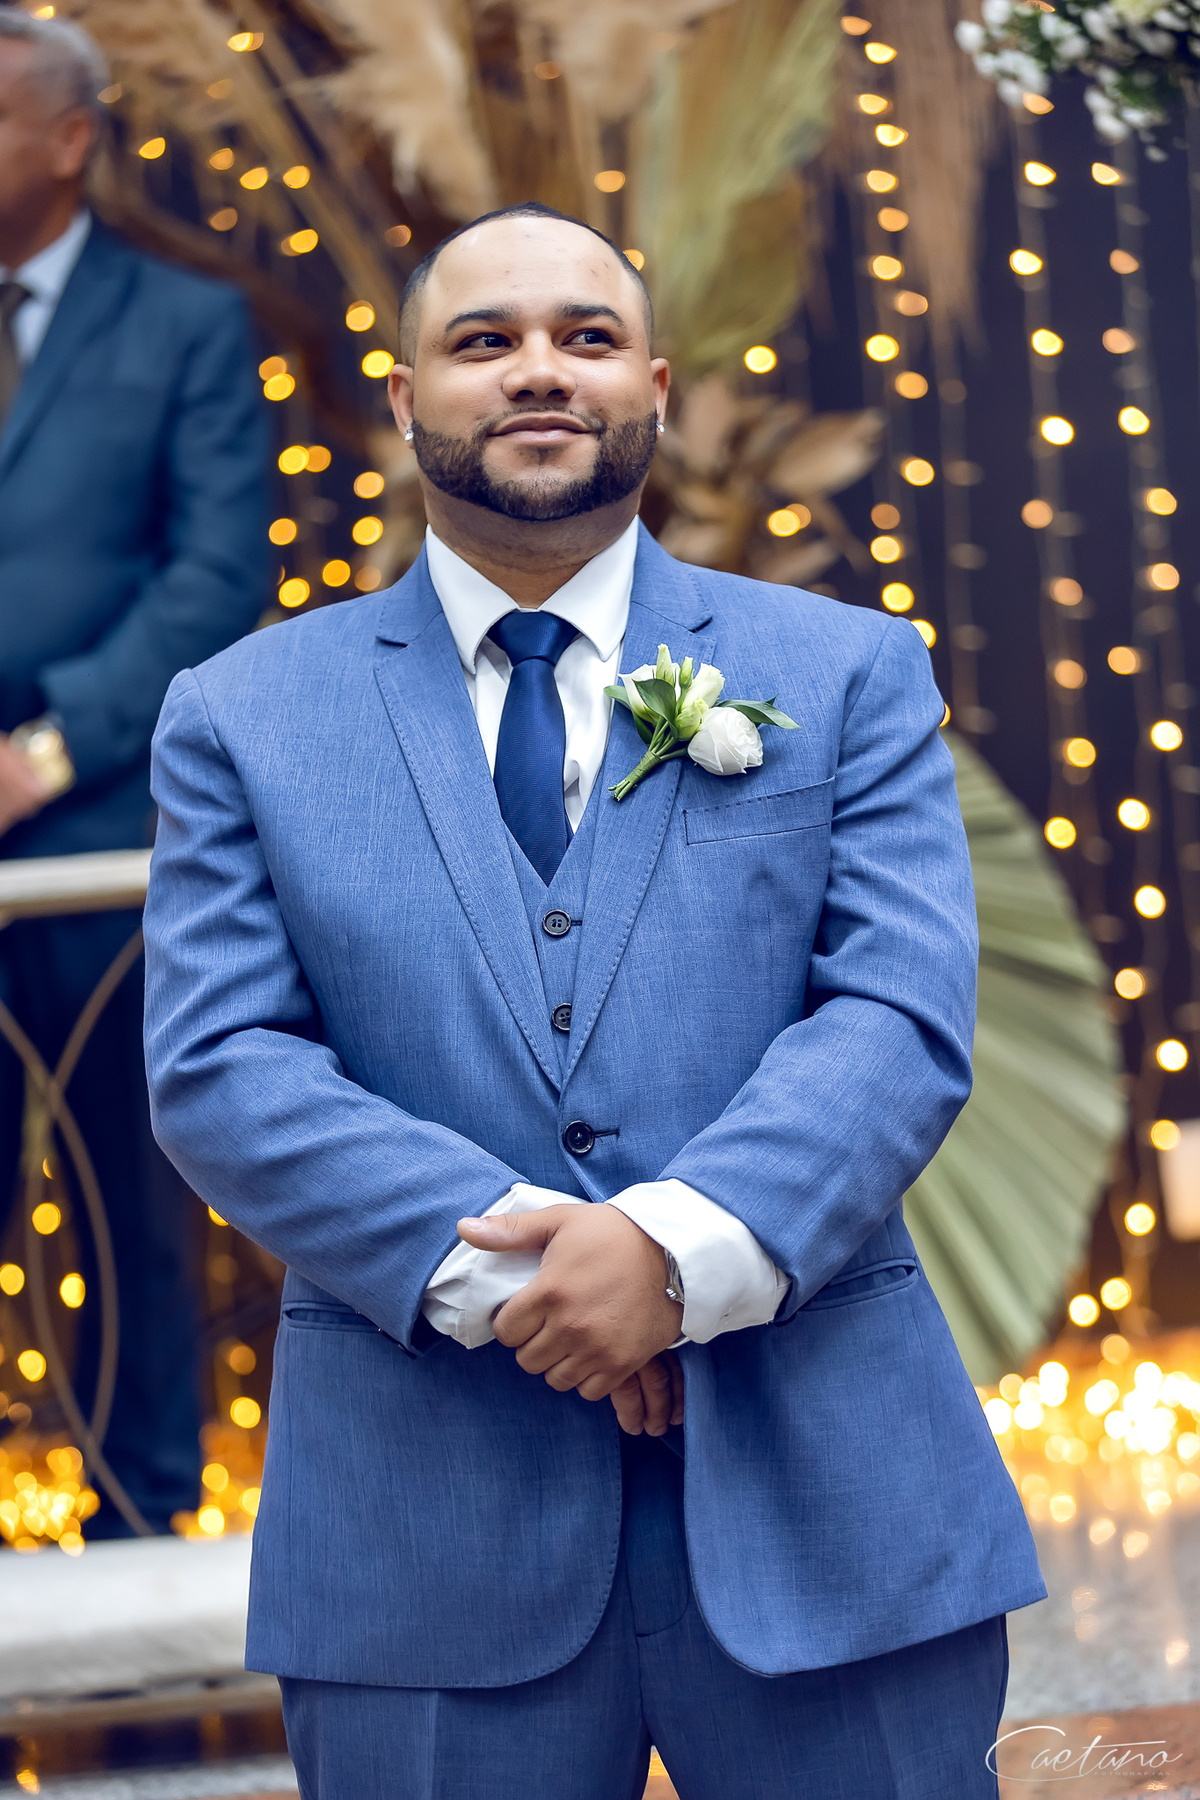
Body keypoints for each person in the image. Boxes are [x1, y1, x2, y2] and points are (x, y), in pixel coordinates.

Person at [143, 202, 1043, 1798]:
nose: (540, 370)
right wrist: (542, 1289)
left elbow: (898, 1017)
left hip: (833, 1507)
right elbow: (221, 1066)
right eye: (483, 341)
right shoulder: (240, 715)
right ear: (404, 397)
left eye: (587, 336)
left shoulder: (847, 670)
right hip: (422, 1534)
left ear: (656, 388)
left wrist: (674, 1257)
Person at [0, 10, 270, 1535]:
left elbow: (215, 578)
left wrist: (43, 754)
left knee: (131, 1196)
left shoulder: (185, 323)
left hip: (108, 836)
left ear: (69, 139)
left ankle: (141, 1519)